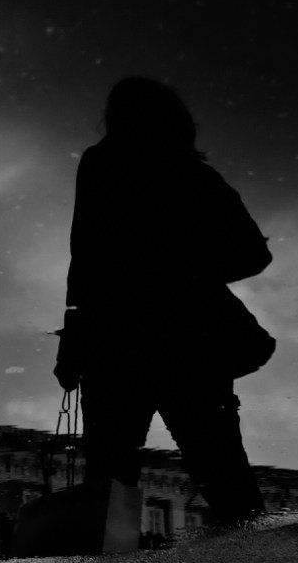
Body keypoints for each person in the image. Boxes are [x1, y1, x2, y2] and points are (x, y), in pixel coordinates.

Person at [53, 76, 271, 526]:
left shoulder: (103, 163)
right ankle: (263, 559)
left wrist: (74, 338)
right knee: (221, 466)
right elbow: (254, 253)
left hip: (116, 342)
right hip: (190, 343)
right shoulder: (195, 175)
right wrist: (188, 275)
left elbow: (86, 256)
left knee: (111, 476)